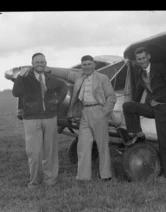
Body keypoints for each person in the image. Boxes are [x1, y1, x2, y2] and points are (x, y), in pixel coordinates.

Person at [44, 55, 116, 181]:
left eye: (89, 64)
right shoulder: (79, 76)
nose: (86, 67)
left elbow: (111, 96)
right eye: (84, 64)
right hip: (85, 112)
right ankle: (83, 177)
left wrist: (104, 112)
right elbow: (65, 73)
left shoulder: (102, 78)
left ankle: (106, 175)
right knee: (82, 145)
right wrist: (49, 69)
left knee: (102, 146)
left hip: (99, 111)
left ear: (94, 65)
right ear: (81, 66)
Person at [12, 53, 68, 188]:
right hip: (31, 119)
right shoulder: (25, 79)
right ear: (32, 63)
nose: (39, 64)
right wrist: (20, 76)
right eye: (37, 62)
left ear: (45, 63)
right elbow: (16, 92)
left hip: (50, 118)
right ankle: (34, 182)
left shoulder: (51, 79)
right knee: (34, 152)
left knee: (51, 152)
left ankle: (50, 181)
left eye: (42, 62)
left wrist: (57, 100)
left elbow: (64, 87)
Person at [122, 47, 166, 178]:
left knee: (164, 142)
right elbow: (138, 92)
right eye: (139, 59)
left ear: (149, 57)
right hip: (150, 106)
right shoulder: (140, 73)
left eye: (143, 58)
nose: (141, 61)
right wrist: (135, 106)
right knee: (127, 106)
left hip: (163, 108)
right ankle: (138, 135)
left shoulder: (160, 68)